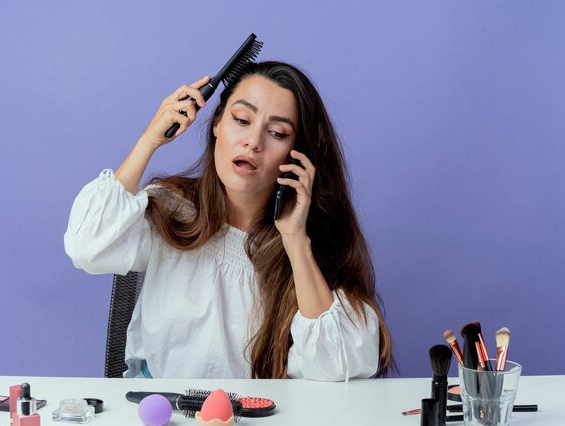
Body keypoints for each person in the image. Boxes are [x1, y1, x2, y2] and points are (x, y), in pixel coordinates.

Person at [64, 61, 394, 381]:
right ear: (217, 124)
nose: (253, 141)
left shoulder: (308, 244)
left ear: (298, 154)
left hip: (259, 423)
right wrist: (149, 140)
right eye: (241, 119)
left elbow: (342, 366)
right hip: (163, 416)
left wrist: (295, 241)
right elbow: (86, 247)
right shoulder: (170, 210)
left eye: (277, 132)